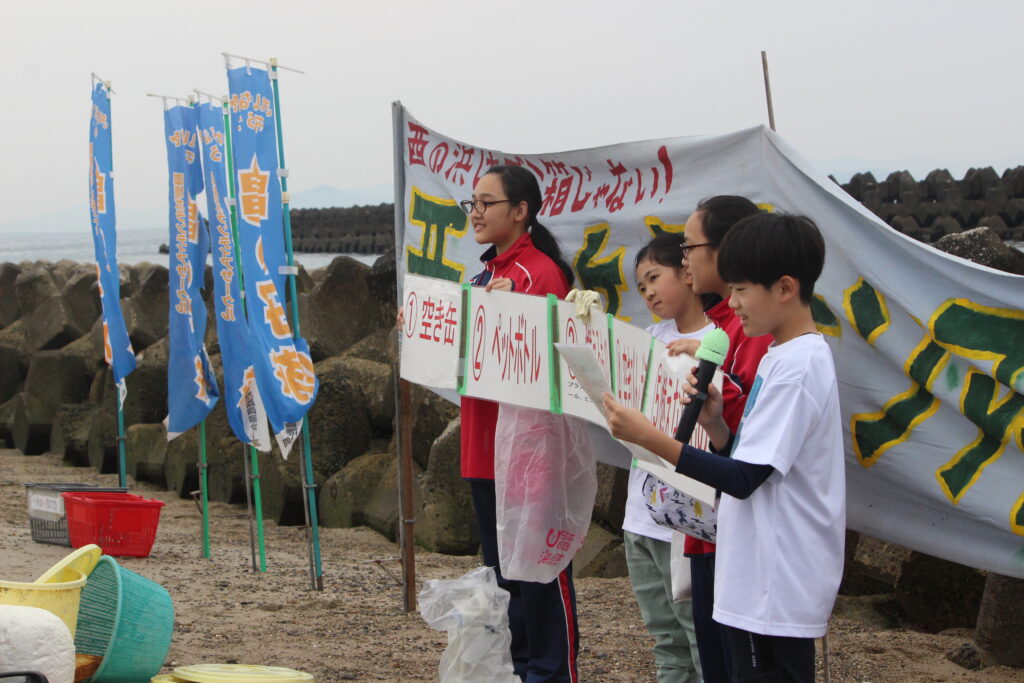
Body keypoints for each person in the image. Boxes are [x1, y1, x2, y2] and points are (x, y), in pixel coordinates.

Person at [603, 212, 846, 682]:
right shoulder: (781, 354)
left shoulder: (798, 365)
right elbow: (753, 462)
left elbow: (743, 479)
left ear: (784, 288)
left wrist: (649, 437)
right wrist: (717, 429)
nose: (731, 303)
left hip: (774, 582)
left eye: (740, 290)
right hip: (756, 574)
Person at [459, 165, 579, 682]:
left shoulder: (540, 274)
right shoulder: (484, 276)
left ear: (521, 210)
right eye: (473, 203)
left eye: (487, 202)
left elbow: (547, 366)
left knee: (539, 572)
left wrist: (505, 314)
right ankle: (522, 669)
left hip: (527, 450)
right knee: (504, 572)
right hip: (482, 444)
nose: (477, 212)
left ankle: (551, 673)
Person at [672, 196, 772, 683]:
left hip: (736, 523)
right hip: (707, 520)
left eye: (689, 245)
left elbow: (751, 441)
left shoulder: (755, 333)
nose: (683, 258)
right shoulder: (721, 330)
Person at [624, 233, 712, 682]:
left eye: (655, 277)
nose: (649, 292)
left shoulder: (721, 339)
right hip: (640, 511)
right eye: (641, 287)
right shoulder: (647, 338)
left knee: (700, 636)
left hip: (691, 515)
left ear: (688, 271)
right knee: (665, 639)